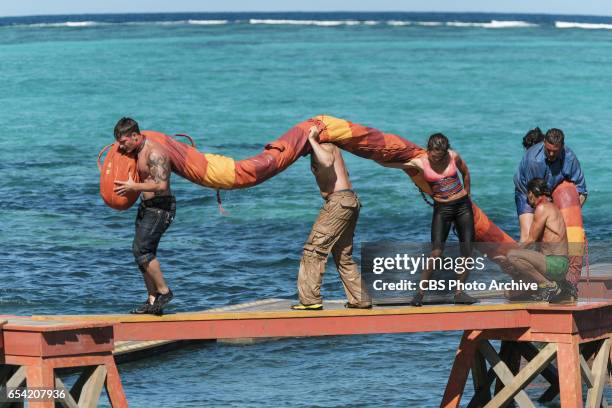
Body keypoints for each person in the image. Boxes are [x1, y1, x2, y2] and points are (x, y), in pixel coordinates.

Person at [383, 133, 477, 306]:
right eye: (434, 156)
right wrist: (377, 157)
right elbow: (390, 164)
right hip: (442, 208)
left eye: (440, 156)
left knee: (467, 250)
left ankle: (459, 293)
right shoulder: (420, 162)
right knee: (436, 252)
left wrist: (467, 194)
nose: (437, 159)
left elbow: (466, 172)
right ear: (429, 150)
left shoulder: (453, 156)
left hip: (462, 206)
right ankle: (419, 293)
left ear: (445, 151)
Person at [291, 126, 371, 310]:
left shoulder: (325, 146)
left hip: (339, 202)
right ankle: (360, 299)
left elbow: (327, 162)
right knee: (343, 255)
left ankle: (310, 300)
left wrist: (312, 139)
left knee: (314, 250)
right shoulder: (327, 148)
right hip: (349, 201)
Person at [113, 117, 175, 315]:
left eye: (123, 142)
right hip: (146, 206)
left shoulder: (155, 153)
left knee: (142, 250)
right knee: (140, 253)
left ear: (134, 136)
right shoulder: (136, 151)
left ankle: (164, 292)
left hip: (161, 207)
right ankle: (152, 301)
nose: (121, 146)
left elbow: (161, 185)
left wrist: (134, 187)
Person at [498, 178, 575, 302]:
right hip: (554, 264)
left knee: (513, 256)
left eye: (528, 197)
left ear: (531, 194)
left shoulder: (542, 208)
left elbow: (530, 240)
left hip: (556, 263)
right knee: (510, 294)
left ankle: (549, 286)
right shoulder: (551, 208)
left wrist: (507, 255)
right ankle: (562, 287)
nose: (528, 202)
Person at [514, 128, 587, 242]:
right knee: (529, 236)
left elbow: (582, 191)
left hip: (551, 190)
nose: (551, 154)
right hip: (526, 192)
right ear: (544, 143)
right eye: (548, 150)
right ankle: (519, 257)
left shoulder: (570, 158)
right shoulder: (533, 160)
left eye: (555, 151)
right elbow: (534, 196)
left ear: (562, 147)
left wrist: (572, 214)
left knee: (554, 234)